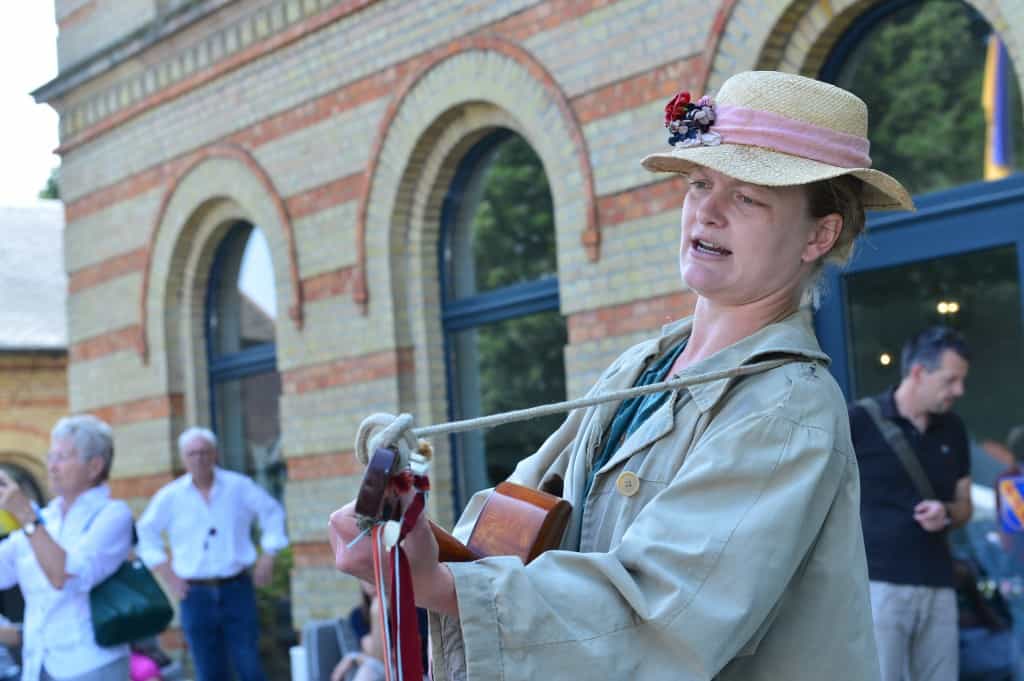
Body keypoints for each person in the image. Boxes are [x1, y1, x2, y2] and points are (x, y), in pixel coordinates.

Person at [329, 69, 915, 680]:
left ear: (819, 235)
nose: (707, 211)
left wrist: (442, 583)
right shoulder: (641, 366)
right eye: (700, 183)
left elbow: (661, 616)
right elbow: (513, 524)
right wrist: (410, 541)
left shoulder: (788, 406)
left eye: (748, 197)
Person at [850, 326, 973, 681]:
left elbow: (964, 504)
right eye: (950, 380)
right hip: (877, 585)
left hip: (939, 583)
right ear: (919, 372)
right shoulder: (857, 422)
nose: (959, 391)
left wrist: (946, 513)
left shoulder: (954, 428)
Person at [136, 427, 288, 681]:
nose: (199, 458)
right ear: (183, 458)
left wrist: (269, 554)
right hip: (195, 594)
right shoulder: (171, 496)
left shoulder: (239, 486)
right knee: (208, 670)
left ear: (215, 453)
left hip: (236, 588)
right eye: (192, 453)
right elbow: (145, 532)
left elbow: (272, 513)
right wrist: (166, 573)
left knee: (249, 665)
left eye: (204, 452)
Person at [0, 415, 134, 680]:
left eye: (61, 457)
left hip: (90, 665)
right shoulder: (47, 517)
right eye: (50, 457)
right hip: (37, 664)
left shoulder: (113, 515)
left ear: (94, 466)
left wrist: (25, 515)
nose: (51, 467)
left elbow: (63, 576)